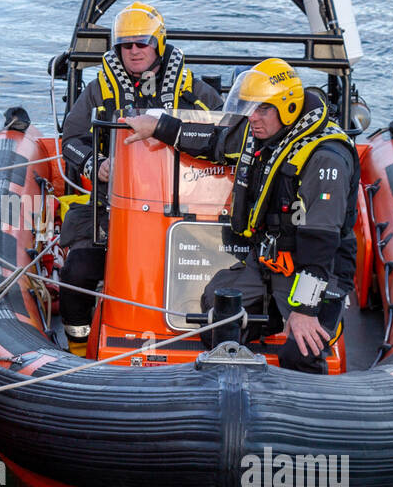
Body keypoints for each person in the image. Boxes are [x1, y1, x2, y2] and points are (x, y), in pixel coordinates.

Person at [121, 58, 359, 373]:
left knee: (301, 351)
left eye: (262, 110)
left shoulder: (325, 157)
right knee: (215, 319)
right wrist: (159, 126)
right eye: (249, 109)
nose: (253, 118)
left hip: (315, 271)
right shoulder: (260, 133)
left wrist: (305, 310)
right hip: (270, 262)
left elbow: (321, 243)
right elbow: (213, 142)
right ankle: (265, 334)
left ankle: (318, 327)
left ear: (287, 108)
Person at [57, 2, 221, 355]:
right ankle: (76, 346)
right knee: (77, 271)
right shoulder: (99, 92)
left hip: (186, 209)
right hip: (112, 209)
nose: (133, 51)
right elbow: (70, 141)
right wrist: (95, 163)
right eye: (125, 45)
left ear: (157, 45)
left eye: (141, 43)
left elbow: (224, 138)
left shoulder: (195, 92)